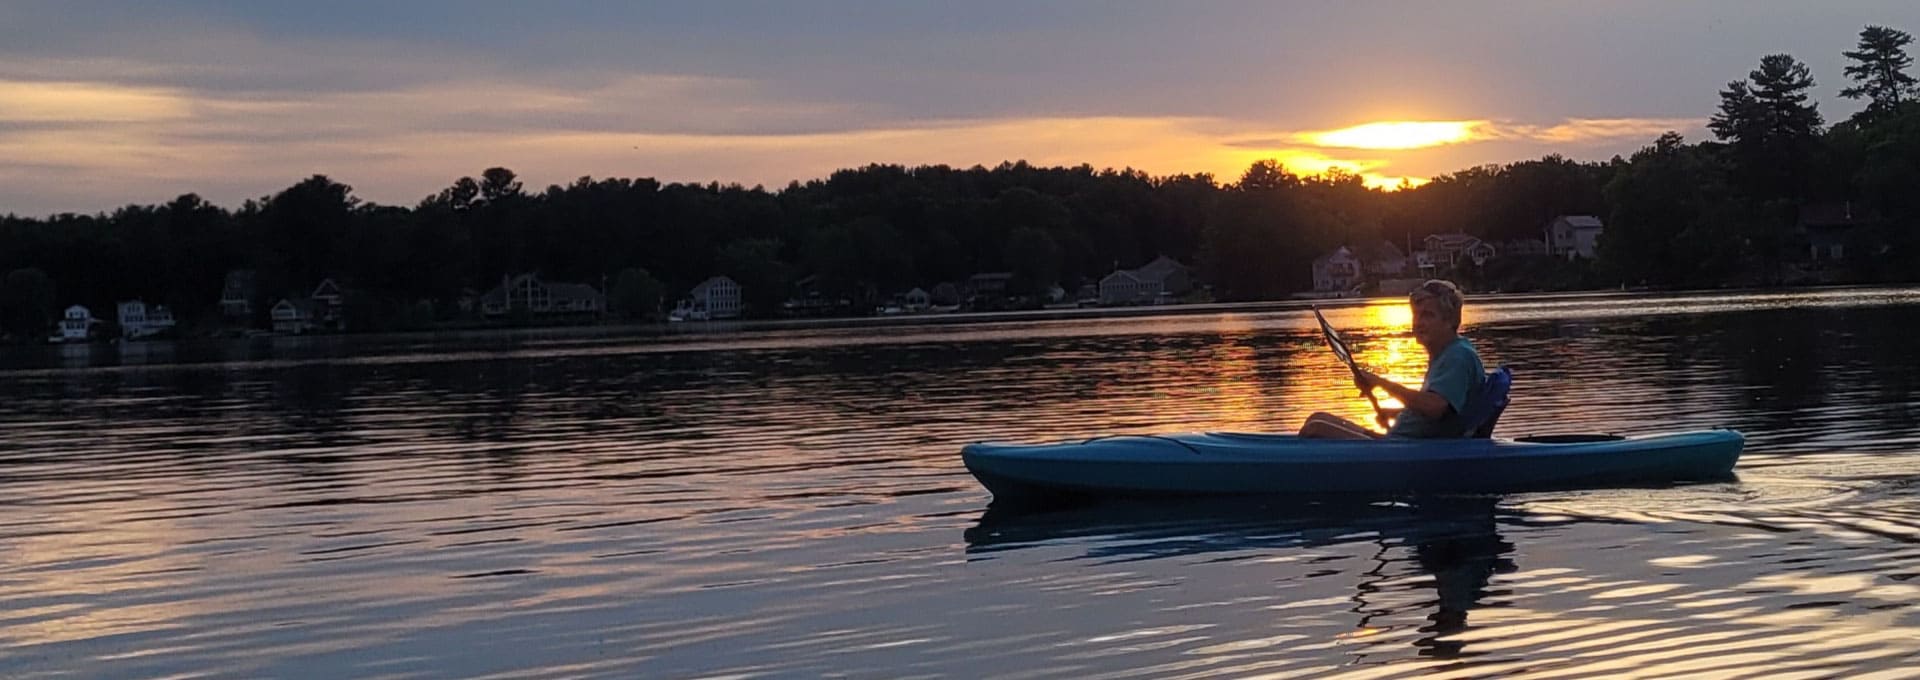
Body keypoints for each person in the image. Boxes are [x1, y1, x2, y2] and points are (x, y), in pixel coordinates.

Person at [1299, 279, 1484, 439]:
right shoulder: (1446, 353)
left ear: (1450, 320)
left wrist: (1381, 383)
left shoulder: (1458, 356)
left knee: (1315, 429)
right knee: (1317, 418)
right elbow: (1442, 413)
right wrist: (1396, 414)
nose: (1418, 323)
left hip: (1407, 451)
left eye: (1428, 315)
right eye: (1416, 315)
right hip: (1400, 443)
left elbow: (1435, 407)